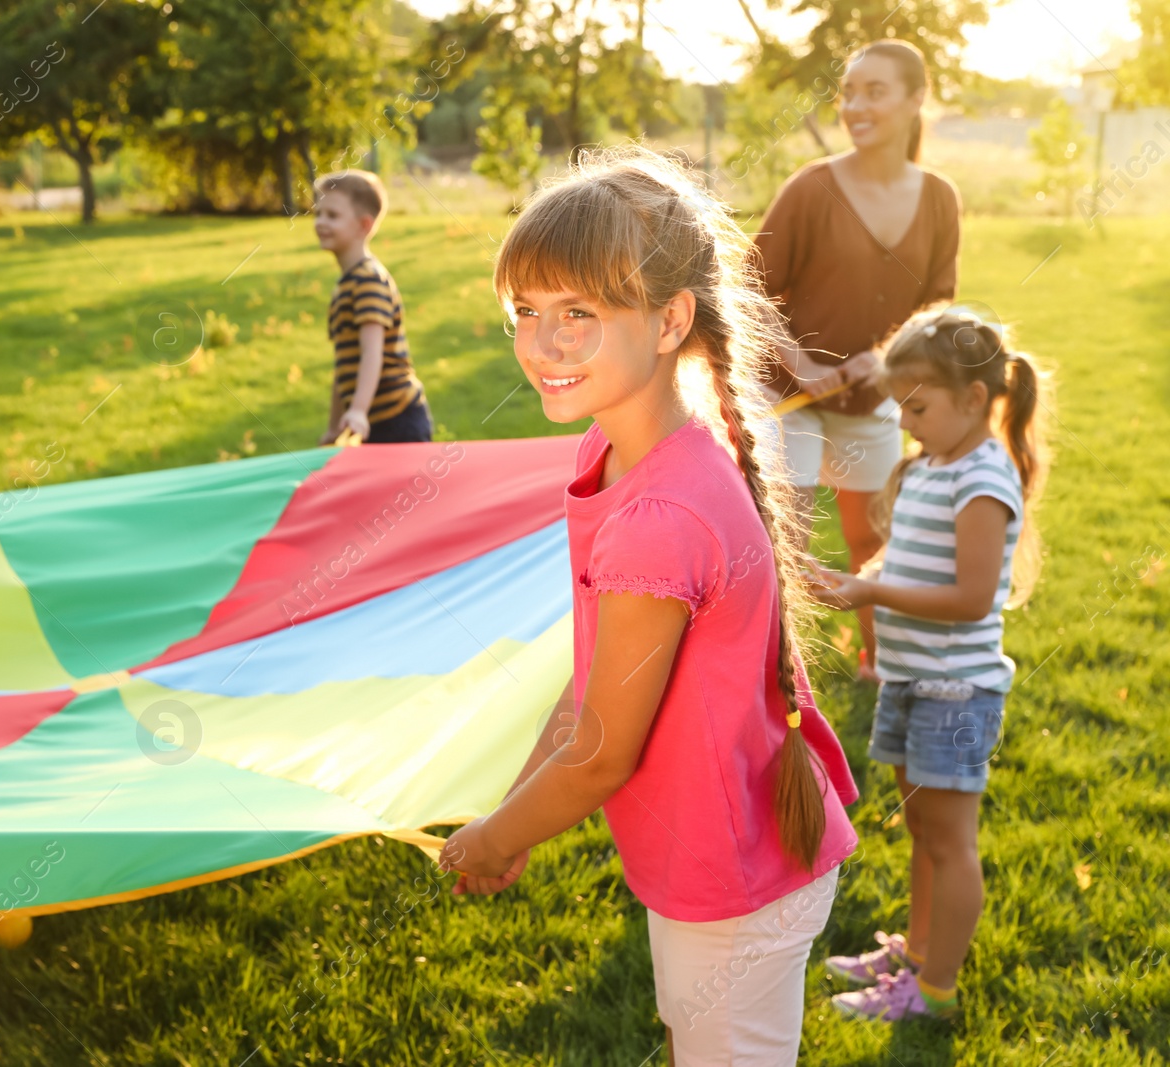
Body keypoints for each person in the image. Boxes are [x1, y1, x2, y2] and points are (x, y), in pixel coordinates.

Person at [435, 146, 859, 1065]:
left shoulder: (659, 517)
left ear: (671, 321)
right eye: (526, 313)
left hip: (736, 876)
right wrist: (513, 816)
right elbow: (594, 689)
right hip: (724, 857)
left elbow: (599, 754)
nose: (542, 344)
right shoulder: (625, 452)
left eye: (579, 314)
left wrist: (489, 838)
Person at [810, 305, 1047, 1021]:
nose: (905, 421)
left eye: (917, 405)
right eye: (900, 406)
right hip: (912, 679)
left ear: (974, 399)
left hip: (954, 688)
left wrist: (874, 588)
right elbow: (908, 556)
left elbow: (974, 597)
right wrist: (859, 576)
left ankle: (935, 988)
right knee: (924, 830)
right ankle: (915, 951)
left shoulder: (983, 479)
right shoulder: (930, 465)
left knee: (951, 839)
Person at [754, 39, 962, 682]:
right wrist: (802, 363)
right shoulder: (811, 189)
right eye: (849, 92)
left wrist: (883, 360)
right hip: (789, 395)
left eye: (874, 91)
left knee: (872, 541)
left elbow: (938, 308)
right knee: (785, 542)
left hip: (872, 402)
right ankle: (776, 676)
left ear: (915, 99)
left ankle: (880, 661)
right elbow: (745, 294)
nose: (854, 106)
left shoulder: (938, 198)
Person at [312, 169, 433, 445]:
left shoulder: (368, 279)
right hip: (372, 420)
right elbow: (344, 368)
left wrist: (357, 411)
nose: (320, 222)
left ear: (363, 225)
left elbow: (372, 352)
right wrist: (334, 428)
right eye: (318, 213)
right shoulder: (347, 284)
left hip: (398, 418)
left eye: (332, 215)